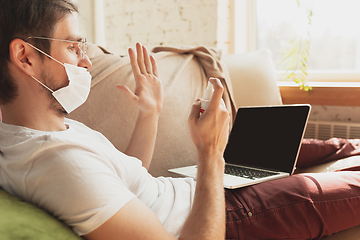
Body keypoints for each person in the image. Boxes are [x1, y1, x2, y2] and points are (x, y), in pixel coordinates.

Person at [1, 1, 360, 240]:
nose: (86, 61)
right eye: (74, 47)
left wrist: (149, 113)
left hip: (205, 190)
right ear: (25, 57)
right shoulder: (56, 162)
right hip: (224, 215)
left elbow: (125, 180)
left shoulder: (40, 131)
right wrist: (209, 156)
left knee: (331, 148)